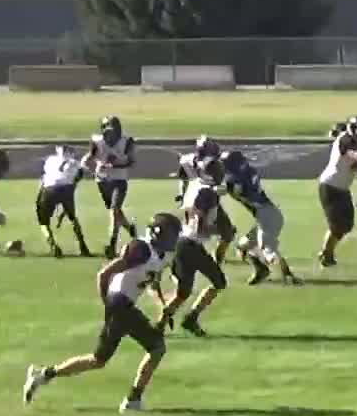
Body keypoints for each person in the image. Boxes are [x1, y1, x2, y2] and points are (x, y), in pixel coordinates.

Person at [23, 212, 182, 413]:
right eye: (171, 235)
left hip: (123, 306)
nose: (174, 240)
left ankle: (43, 374)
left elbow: (150, 282)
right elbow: (104, 274)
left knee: (98, 360)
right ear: (159, 234)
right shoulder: (140, 249)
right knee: (157, 348)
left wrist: (161, 304)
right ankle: (133, 400)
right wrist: (108, 304)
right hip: (120, 303)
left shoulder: (159, 254)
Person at [157, 163, 230, 337]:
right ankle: (191, 317)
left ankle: (159, 325)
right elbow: (199, 220)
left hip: (182, 242)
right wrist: (213, 230)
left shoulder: (197, 185)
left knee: (183, 293)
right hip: (192, 244)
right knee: (219, 282)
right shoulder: (207, 193)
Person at [222, 151, 301, 285]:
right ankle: (261, 271)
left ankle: (289, 276)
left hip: (266, 216)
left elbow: (233, 189)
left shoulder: (235, 182)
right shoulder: (248, 172)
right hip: (267, 214)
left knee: (268, 250)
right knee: (243, 246)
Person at [318, 119, 357, 266]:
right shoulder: (346, 141)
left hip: (340, 187)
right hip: (331, 186)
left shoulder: (350, 139)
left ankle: (327, 253)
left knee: (346, 224)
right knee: (337, 225)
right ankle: (326, 254)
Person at [89, 115, 140, 259]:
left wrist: (115, 165)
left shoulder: (127, 142)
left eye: (113, 132)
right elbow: (91, 157)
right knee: (115, 212)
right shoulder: (97, 141)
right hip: (102, 180)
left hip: (119, 179)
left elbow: (132, 162)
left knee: (114, 210)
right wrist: (88, 165)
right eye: (107, 131)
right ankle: (129, 227)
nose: (110, 135)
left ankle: (112, 244)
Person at [36, 144, 92, 258]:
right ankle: (83, 246)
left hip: (49, 188)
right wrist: (66, 207)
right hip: (67, 188)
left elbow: (45, 179)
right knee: (73, 218)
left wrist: (39, 198)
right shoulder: (74, 162)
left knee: (43, 221)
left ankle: (53, 245)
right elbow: (78, 177)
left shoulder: (50, 160)